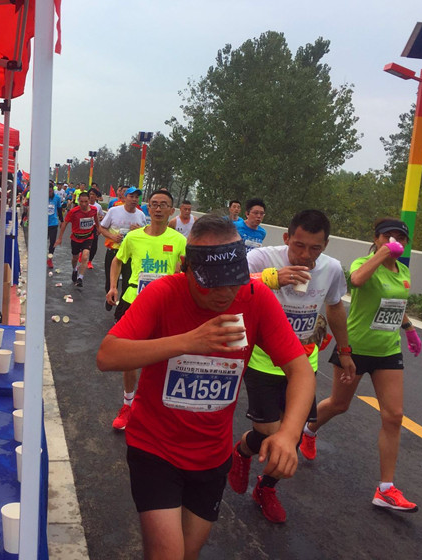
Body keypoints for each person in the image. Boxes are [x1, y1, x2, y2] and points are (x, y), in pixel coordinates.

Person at [96, 215, 314, 559]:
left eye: (233, 281)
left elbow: (301, 371)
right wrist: (188, 341)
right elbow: (107, 355)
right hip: (155, 448)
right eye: (211, 283)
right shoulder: (163, 293)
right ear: (185, 267)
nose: (225, 294)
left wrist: (288, 434)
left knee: (188, 553)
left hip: (212, 456)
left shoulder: (255, 297)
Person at [229, 209, 351, 523]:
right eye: (299, 245)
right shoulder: (261, 258)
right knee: (269, 434)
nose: (306, 255)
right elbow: (228, 284)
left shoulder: (331, 269)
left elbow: (335, 307)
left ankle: (266, 488)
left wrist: (345, 350)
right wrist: (271, 278)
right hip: (263, 359)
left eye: (315, 248)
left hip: (302, 362)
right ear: (286, 238)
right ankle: (241, 452)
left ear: (325, 245)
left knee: (291, 438)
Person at [303, 217, 422, 512]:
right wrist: (382, 254)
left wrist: (409, 329)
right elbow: (356, 281)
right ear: (376, 239)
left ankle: (386, 489)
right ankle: (308, 430)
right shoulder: (363, 263)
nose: (394, 241)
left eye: (400, 238)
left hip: (388, 351)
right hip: (354, 349)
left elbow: (396, 304)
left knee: (394, 416)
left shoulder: (403, 271)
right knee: (339, 404)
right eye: (387, 236)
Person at [106, 189, 186, 431]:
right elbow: (117, 260)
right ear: (148, 208)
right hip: (134, 300)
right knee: (130, 356)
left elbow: (188, 270)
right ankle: (127, 404)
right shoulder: (133, 237)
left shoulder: (179, 240)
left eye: (163, 205)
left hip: (165, 305)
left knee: (163, 358)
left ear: (172, 210)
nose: (158, 209)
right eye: (154, 204)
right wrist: (113, 287)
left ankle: (155, 407)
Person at [99, 186, 146, 311]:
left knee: (127, 283)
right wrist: (112, 237)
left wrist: (139, 230)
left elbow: (146, 234)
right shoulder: (114, 211)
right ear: (125, 197)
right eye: (131, 196)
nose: (134, 199)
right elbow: (102, 228)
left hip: (131, 255)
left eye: (137, 197)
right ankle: (110, 297)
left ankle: (120, 311)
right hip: (114, 251)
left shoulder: (141, 215)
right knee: (110, 281)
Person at [55, 191, 98, 287]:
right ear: (78, 201)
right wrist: (60, 238)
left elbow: (96, 221)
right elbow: (65, 223)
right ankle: (74, 270)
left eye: (86, 201)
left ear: (89, 201)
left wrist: (99, 229)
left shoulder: (94, 210)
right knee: (75, 258)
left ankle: (80, 278)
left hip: (88, 237)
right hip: (76, 238)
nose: (84, 204)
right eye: (81, 201)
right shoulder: (73, 212)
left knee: (85, 256)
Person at [47, 181, 64, 268]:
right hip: (44, 224)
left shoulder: (57, 198)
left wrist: (62, 221)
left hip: (53, 223)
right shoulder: (43, 197)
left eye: (50, 191)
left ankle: (50, 259)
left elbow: (59, 210)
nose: (49, 193)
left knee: (52, 242)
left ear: (52, 190)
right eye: (48, 192)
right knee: (42, 242)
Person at [87, 187, 105, 269]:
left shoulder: (98, 206)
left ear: (96, 196)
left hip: (94, 227)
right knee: (84, 242)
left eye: (93, 194)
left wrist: (100, 219)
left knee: (94, 244)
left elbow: (102, 216)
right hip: (85, 227)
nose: (91, 196)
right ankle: (81, 253)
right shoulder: (85, 204)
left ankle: (90, 261)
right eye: (90, 194)